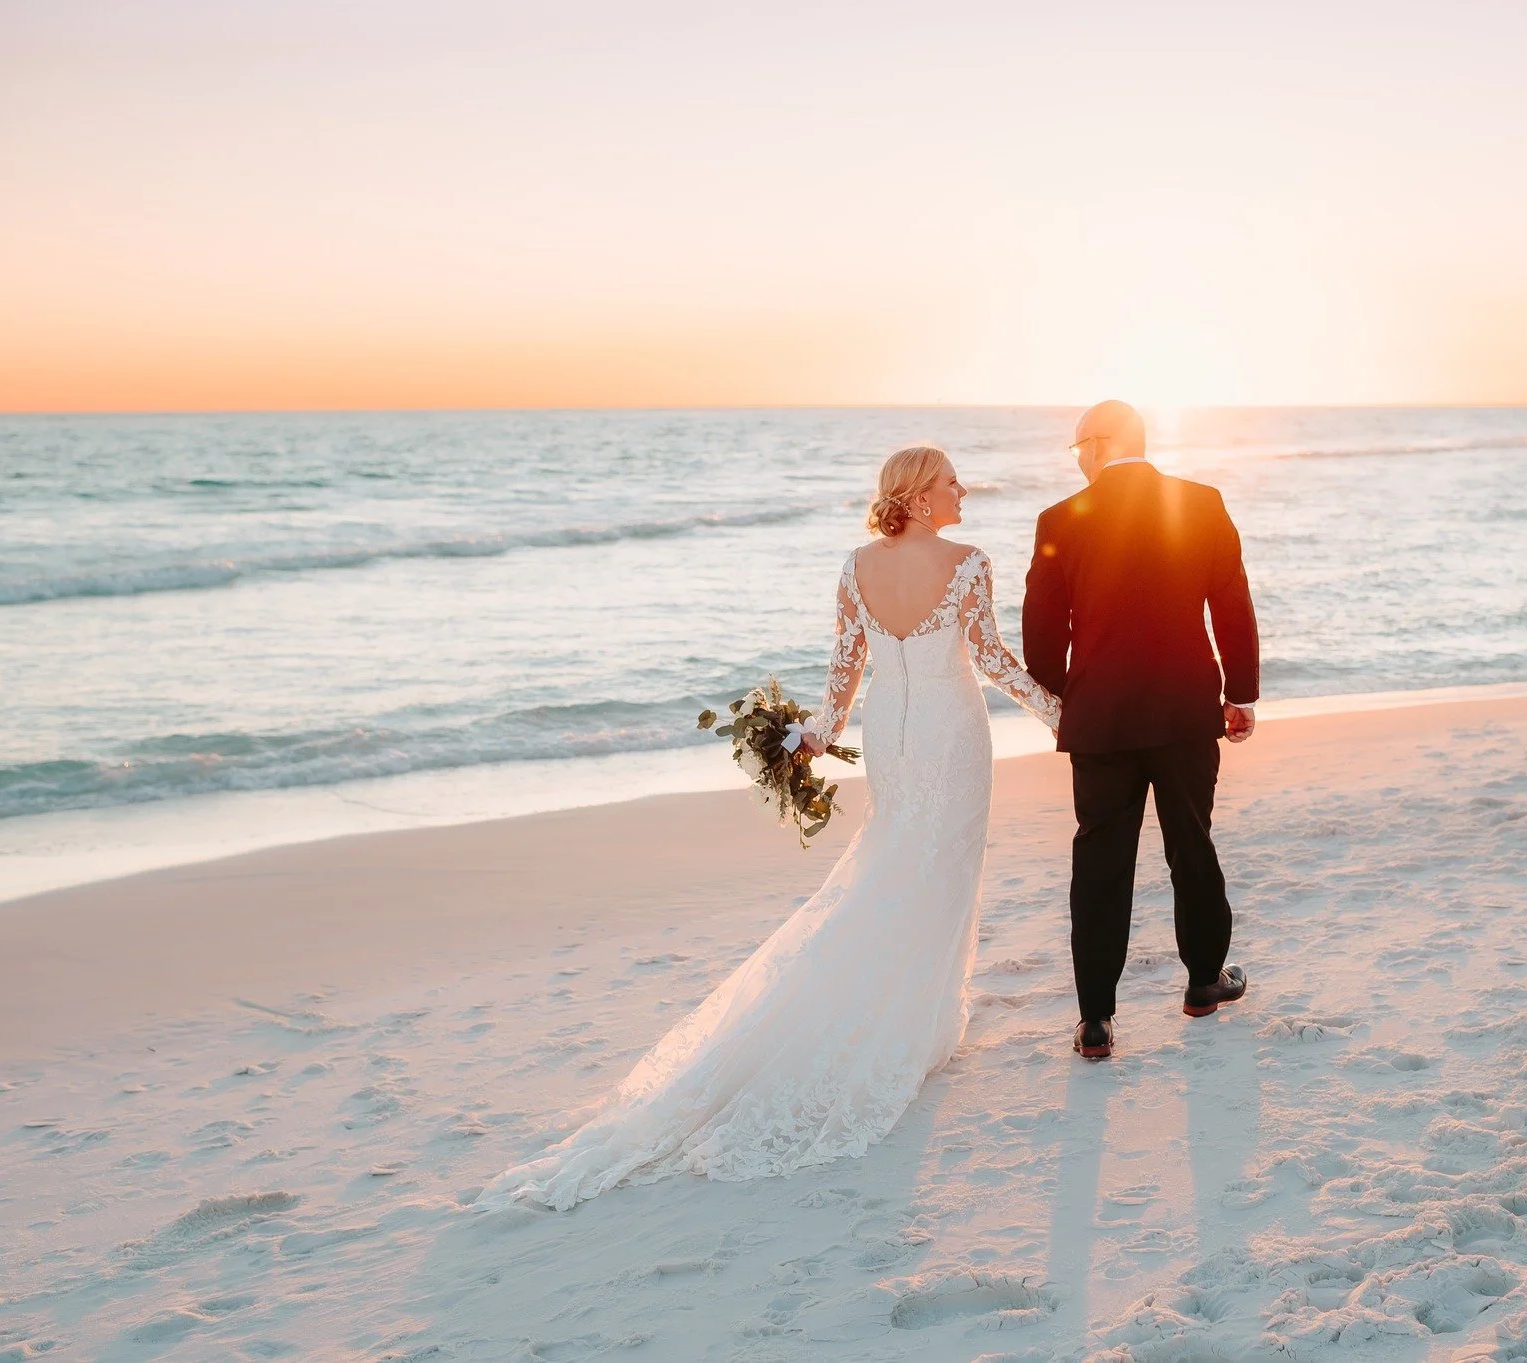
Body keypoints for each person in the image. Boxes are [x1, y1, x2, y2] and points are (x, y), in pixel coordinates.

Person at [485, 446, 1059, 1208]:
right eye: (951, 480)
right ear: (920, 498)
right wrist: (1063, 712)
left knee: (896, 862)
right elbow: (991, 659)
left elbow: (844, 673)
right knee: (941, 868)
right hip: (951, 734)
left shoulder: (856, 566)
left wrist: (819, 731)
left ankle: (911, 1014)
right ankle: (916, 1026)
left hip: (890, 733)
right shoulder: (969, 562)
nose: (964, 489)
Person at [1022, 401, 1260, 1060]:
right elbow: (1232, 604)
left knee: (1099, 862)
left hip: (1099, 719)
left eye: (1077, 449)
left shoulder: (1059, 521)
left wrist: (1075, 694)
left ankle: (1096, 1019)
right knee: (1192, 843)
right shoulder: (1202, 502)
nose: (1077, 460)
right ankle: (1204, 983)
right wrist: (1239, 694)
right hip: (1186, 710)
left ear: (1100, 444)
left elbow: (1041, 637)